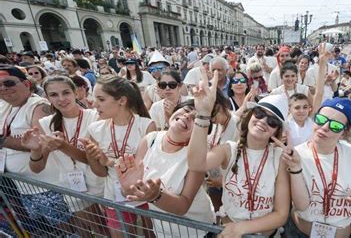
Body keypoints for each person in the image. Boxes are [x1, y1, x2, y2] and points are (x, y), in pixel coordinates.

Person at [187, 69, 290, 237]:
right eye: (259, 113)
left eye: (272, 121)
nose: (263, 121)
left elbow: (281, 214)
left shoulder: (279, 158)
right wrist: (203, 114)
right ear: (250, 116)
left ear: (276, 131)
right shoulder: (229, 150)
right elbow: (196, 164)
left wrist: (241, 228)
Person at [114, 99, 215, 237]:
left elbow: (183, 206)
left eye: (194, 119)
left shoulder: (196, 157)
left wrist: (156, 196)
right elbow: (134, 192)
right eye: (186, 110)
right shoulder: (150, 140)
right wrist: (128, 188)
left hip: (196, 231)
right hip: (162, 230)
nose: (187, 116)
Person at [21, 76, 107, 236]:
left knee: (107, 231)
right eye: (53, 95)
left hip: (101, 184)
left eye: (66, 92)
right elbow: (37, 168)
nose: (61, 99)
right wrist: (35, 150)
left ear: (75, 92)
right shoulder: (47, 123)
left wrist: (64, 146)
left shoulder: (95, 117)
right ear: (47, 98)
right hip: (73, 186)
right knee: (87, 230)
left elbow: (96, 161)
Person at [282, 97, 351, 238]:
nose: (324, 128)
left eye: (335, 126)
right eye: (321, 119)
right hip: (299, 233)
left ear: (344, 132)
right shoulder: (296, 156)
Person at [0, 65, 72, 234]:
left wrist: (2, 140)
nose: (3, 88)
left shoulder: (39, 106)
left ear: (26, 84)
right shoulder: (6, 105)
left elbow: (38, 142)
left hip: (48, 186)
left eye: (9, 83)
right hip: (24, 187)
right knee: (52, 230)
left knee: (69, 229)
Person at [81, 75, 156, 237]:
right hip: (114, 196)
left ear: (121, 100)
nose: (95, 104)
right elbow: (100, 172)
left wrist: (109, 161)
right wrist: (93, 157)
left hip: (145, 194)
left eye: (101, 99)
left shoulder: (146, 125)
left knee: (152, 234)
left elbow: (147, 167)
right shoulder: (95, 128)